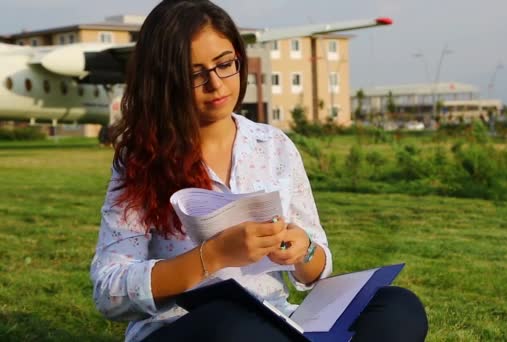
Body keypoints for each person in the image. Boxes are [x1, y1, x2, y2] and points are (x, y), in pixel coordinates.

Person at [90, 1, 428, 341]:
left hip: (277, 321)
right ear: (164, 80)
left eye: (225, 64)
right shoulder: (140, 159)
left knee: (397, 308)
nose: (217, 84)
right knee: (233, 326)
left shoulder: (273, 145)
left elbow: (317, 269)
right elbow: (109, 292)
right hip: (185, 328)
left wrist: (303, 250)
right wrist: (214, 256)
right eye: (195, 74)